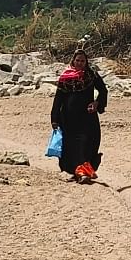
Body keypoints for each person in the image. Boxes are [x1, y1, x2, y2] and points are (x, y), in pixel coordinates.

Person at [50, 50, 108, 183]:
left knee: (86, 144)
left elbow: (103, 90)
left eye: (82, 61)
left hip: (87, 118)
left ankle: (83, 172)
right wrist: (54, 118)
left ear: (86, 62)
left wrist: (97, 103)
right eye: (78, 61)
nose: (80, 63)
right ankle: (77, 172)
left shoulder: (91, 75)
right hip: (68, 119)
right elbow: (58, 99)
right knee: (70, 146)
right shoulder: (65, 77)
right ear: (73, 61)